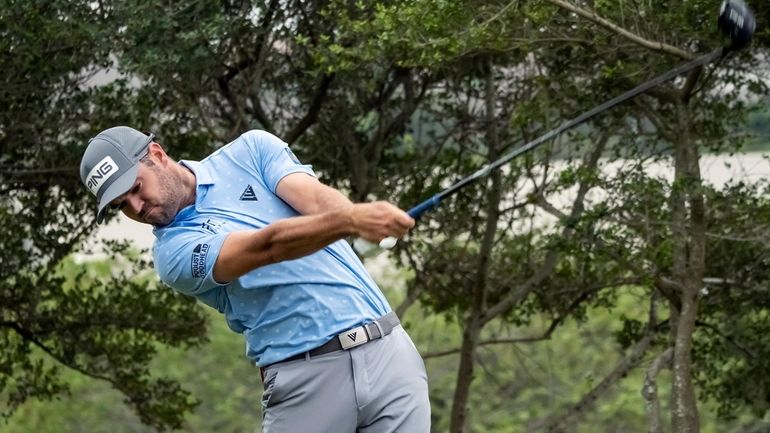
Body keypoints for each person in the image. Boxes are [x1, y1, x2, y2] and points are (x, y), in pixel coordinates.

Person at [79, 126, 431, 432]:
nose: (137, 207)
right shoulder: (173, 255)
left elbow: (318, 199)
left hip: (389, 352)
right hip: (305, 378)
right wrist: (352, 219)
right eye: (122, 205)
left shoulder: (251, 150)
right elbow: (268, 247)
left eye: (136, 187)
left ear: (157, 154)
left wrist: (351, 216)